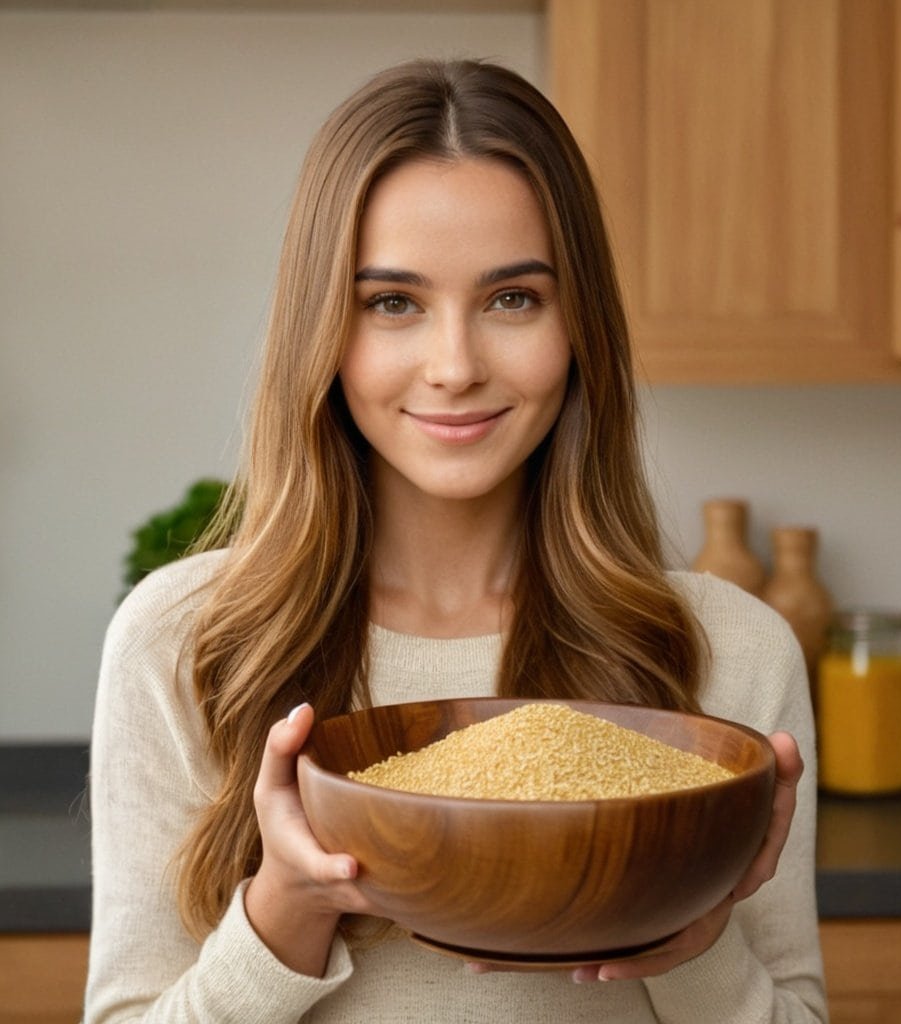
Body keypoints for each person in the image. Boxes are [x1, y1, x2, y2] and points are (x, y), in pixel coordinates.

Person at [85, 58, 827, 1023]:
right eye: (392, 303)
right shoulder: (182, 640)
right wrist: (288, 906)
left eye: (512, 298)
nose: (454, 366)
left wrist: (694, 938)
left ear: (580, 325)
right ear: (323, 330)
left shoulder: (731, 653)